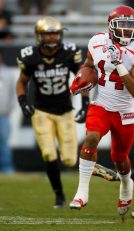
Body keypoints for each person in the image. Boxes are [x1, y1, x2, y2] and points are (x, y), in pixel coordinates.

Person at [68, 5, 134, 217]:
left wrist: (118, 64)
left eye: (130, 26)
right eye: (121, 25)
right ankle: (82, 192)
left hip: (124, 110)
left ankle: (126, 185)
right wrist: (82, 78)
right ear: (110, 26)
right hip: (101, 104)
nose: (126, 31)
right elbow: (88, 65)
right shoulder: (97, 41)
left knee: (120, 158)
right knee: (91, 138)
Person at [16, 16, 87, 208]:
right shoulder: (30, 56)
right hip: (41, 112)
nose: (52, 37)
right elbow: (21, 82)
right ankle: (59, 195)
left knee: (70, 159)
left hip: (64, 111)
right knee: (48, 154)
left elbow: (82, 78)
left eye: (55, 33)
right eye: (47, 34)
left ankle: (61, 192)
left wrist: (85, 103)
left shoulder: (69, 53)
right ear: (39, 36)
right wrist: (23, 103)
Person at [0, 53, 16, 174]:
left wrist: (9, 109)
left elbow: (13, 93)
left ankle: (7, 169)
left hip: (2, 115)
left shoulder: (7, 73)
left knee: (3, 143)